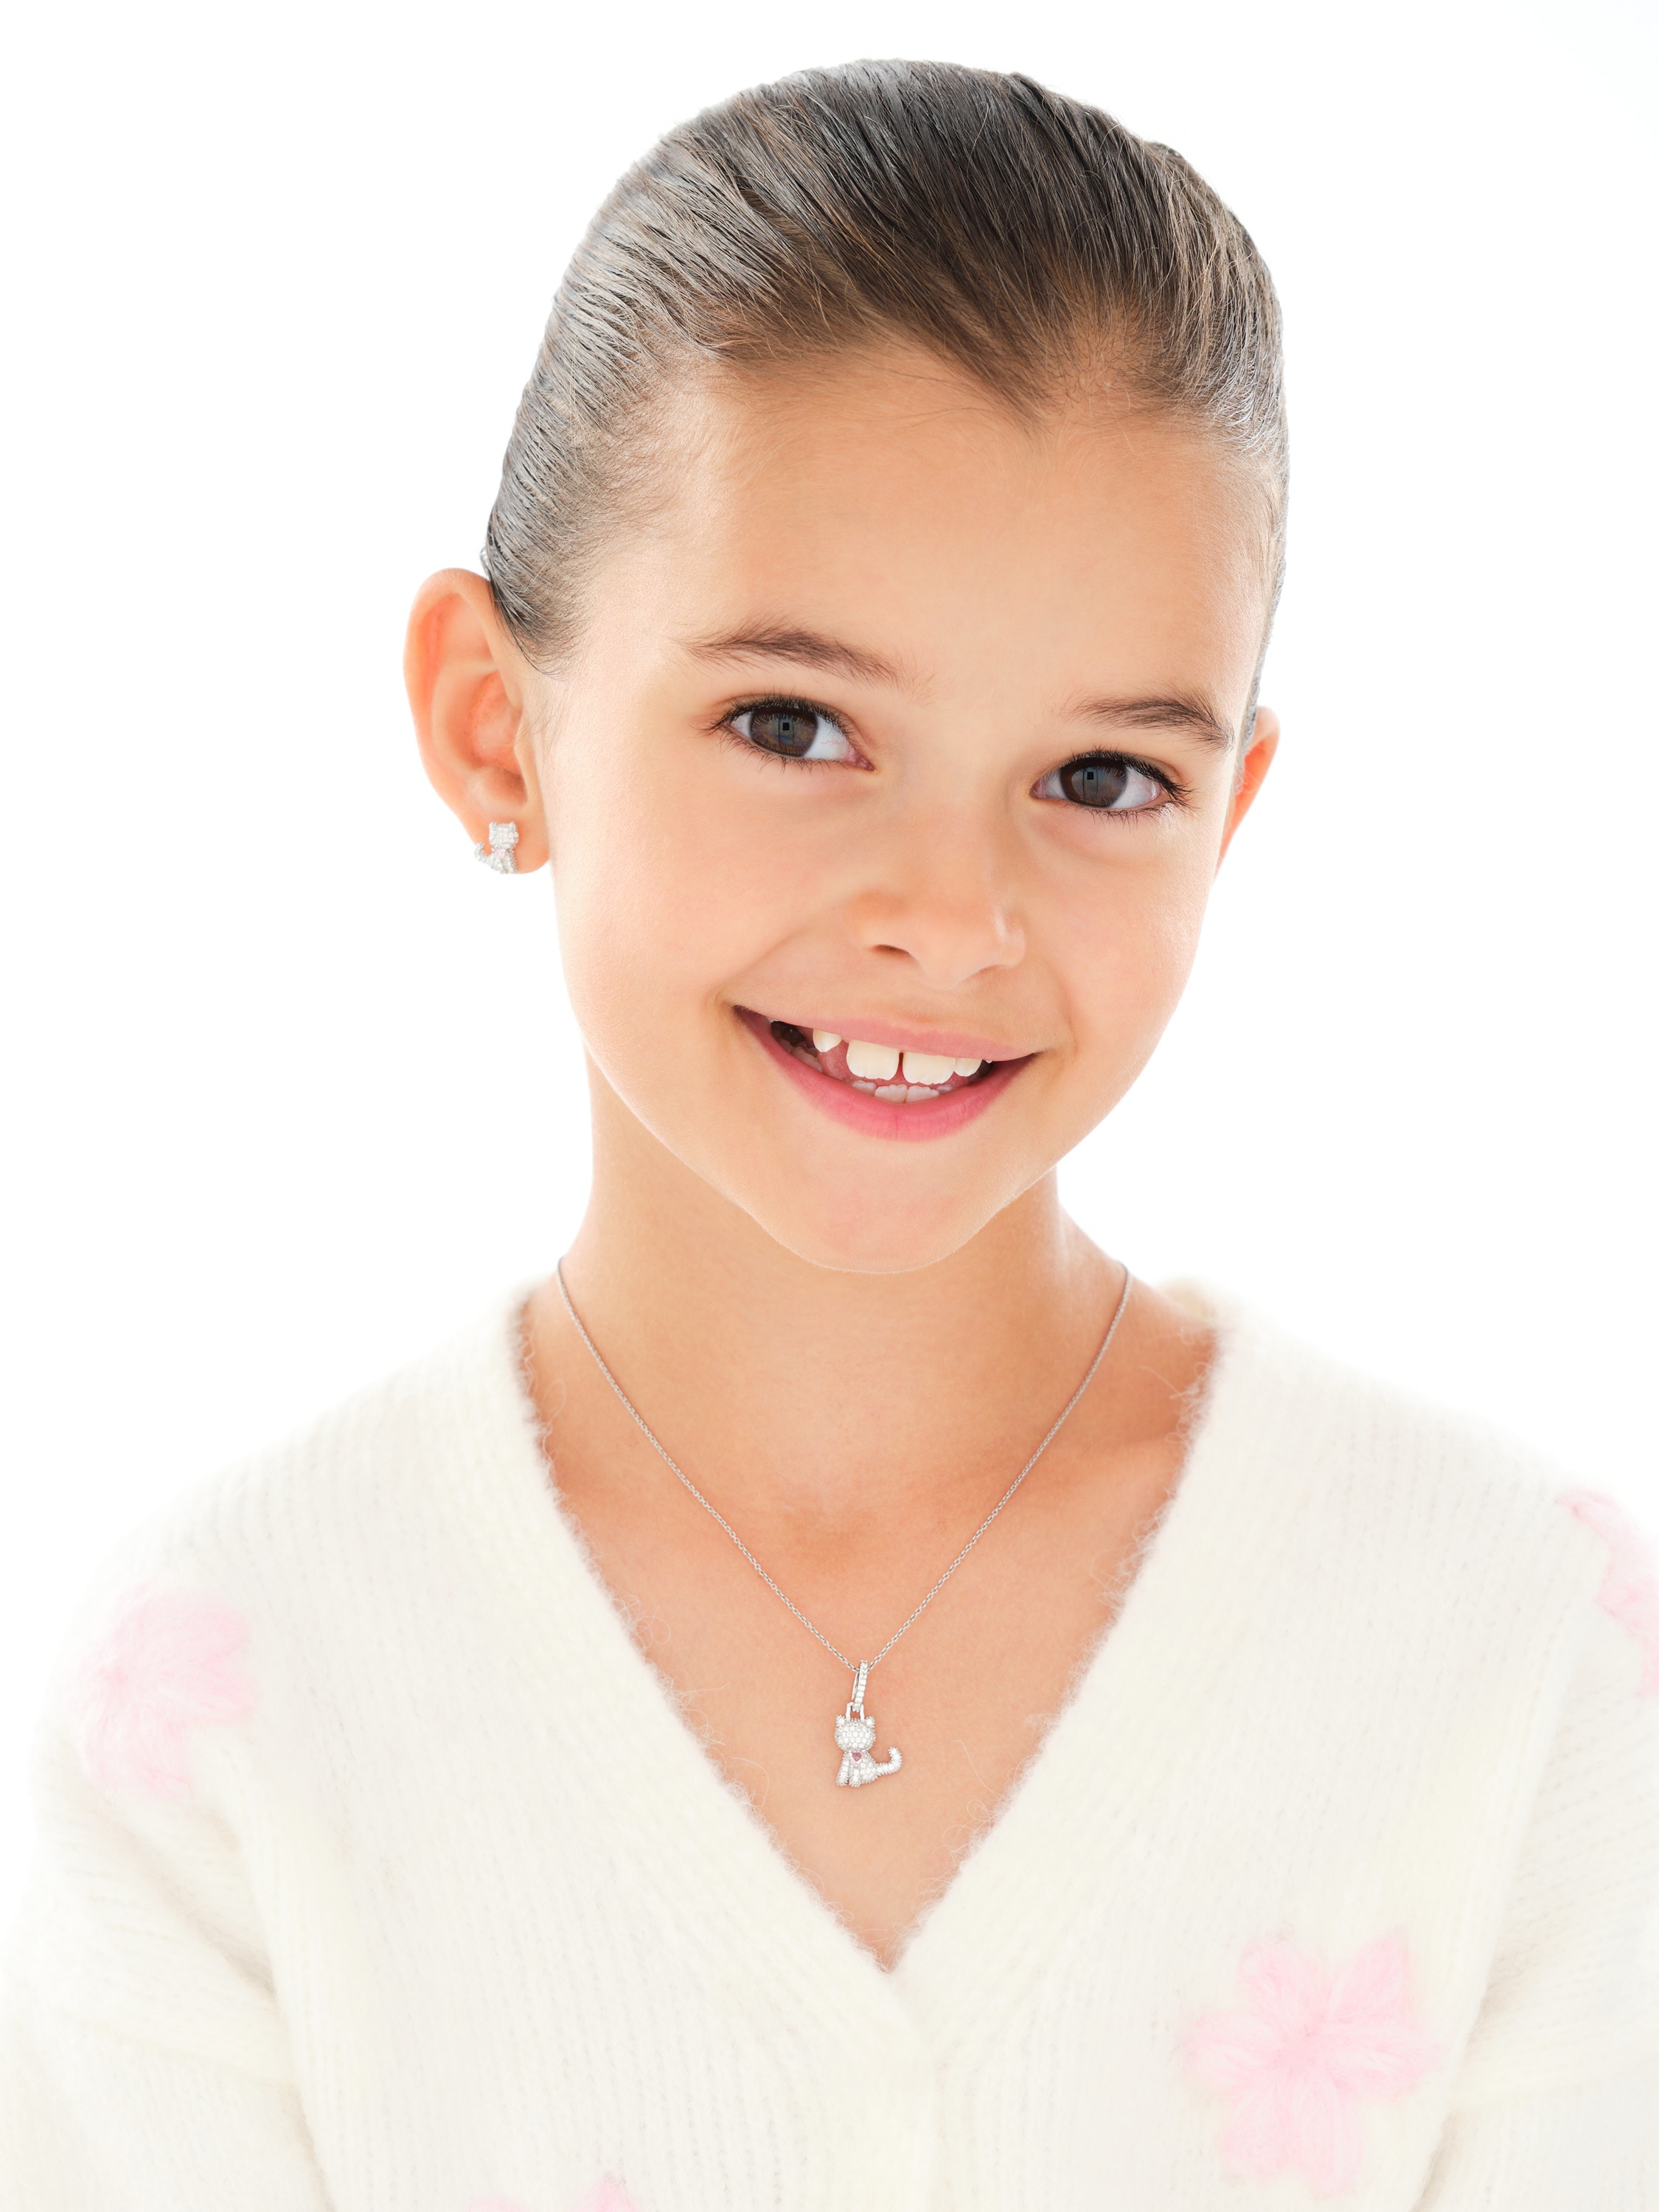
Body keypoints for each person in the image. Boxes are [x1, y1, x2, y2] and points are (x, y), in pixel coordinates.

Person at [2, 58, 1655, 2212]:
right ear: (497, 726)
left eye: (1103, 778)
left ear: (1228, 816)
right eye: (794, 726)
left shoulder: (1515, 1656)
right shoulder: (226, 1703)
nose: (950, 919)